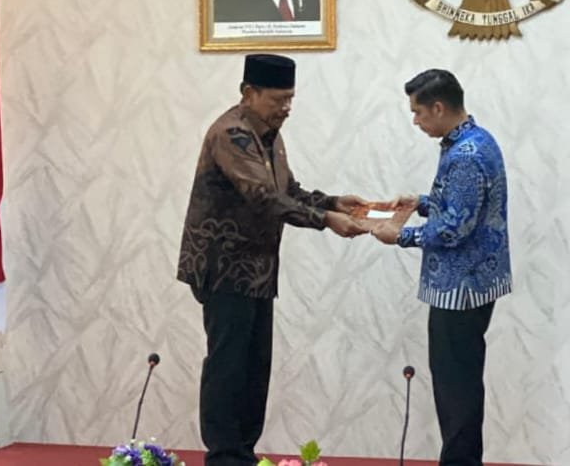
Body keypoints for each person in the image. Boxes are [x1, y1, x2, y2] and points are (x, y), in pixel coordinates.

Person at [177, 53, 366, 466]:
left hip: (258, 271)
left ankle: (243, 452)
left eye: (290, 98)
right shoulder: (232, 133)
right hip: (223, 268)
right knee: (228, 365)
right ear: (249, 92)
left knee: (255, 366)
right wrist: (325, 220)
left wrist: (333, 202)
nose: (286, 107)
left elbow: (288, 191)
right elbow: (263, 198)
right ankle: (224, 456)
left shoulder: (270, 135)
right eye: (278, 99)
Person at [371, 69, 512, 466]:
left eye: (418, 112)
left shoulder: (465, 156)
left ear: (438, 107)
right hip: (475, 281)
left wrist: (400, 235)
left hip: (460, 288)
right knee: (460, 384)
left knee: (456, 389)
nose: (416, 121)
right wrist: (419, 203)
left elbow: (454, 229)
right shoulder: (476, 140)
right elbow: (463, 206)